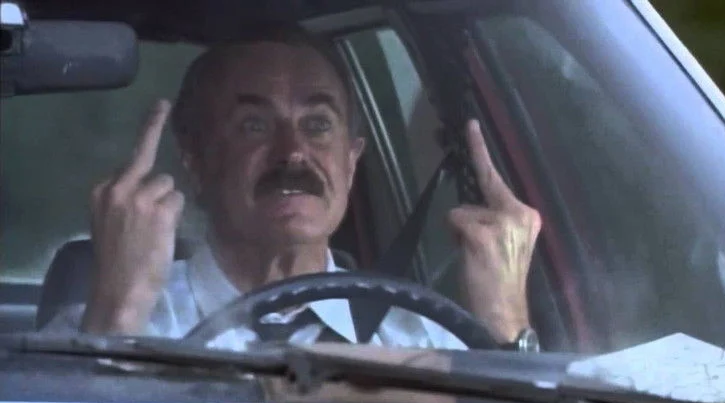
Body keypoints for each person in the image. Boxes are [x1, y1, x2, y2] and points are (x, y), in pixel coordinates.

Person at [45, 27, 542, 351]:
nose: (294, 153)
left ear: (351, 161)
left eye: (318, 124)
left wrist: (504, 328)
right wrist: (119, 315)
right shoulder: (105, 325)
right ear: (196, 162)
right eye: (254, 126)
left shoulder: (425, 339)